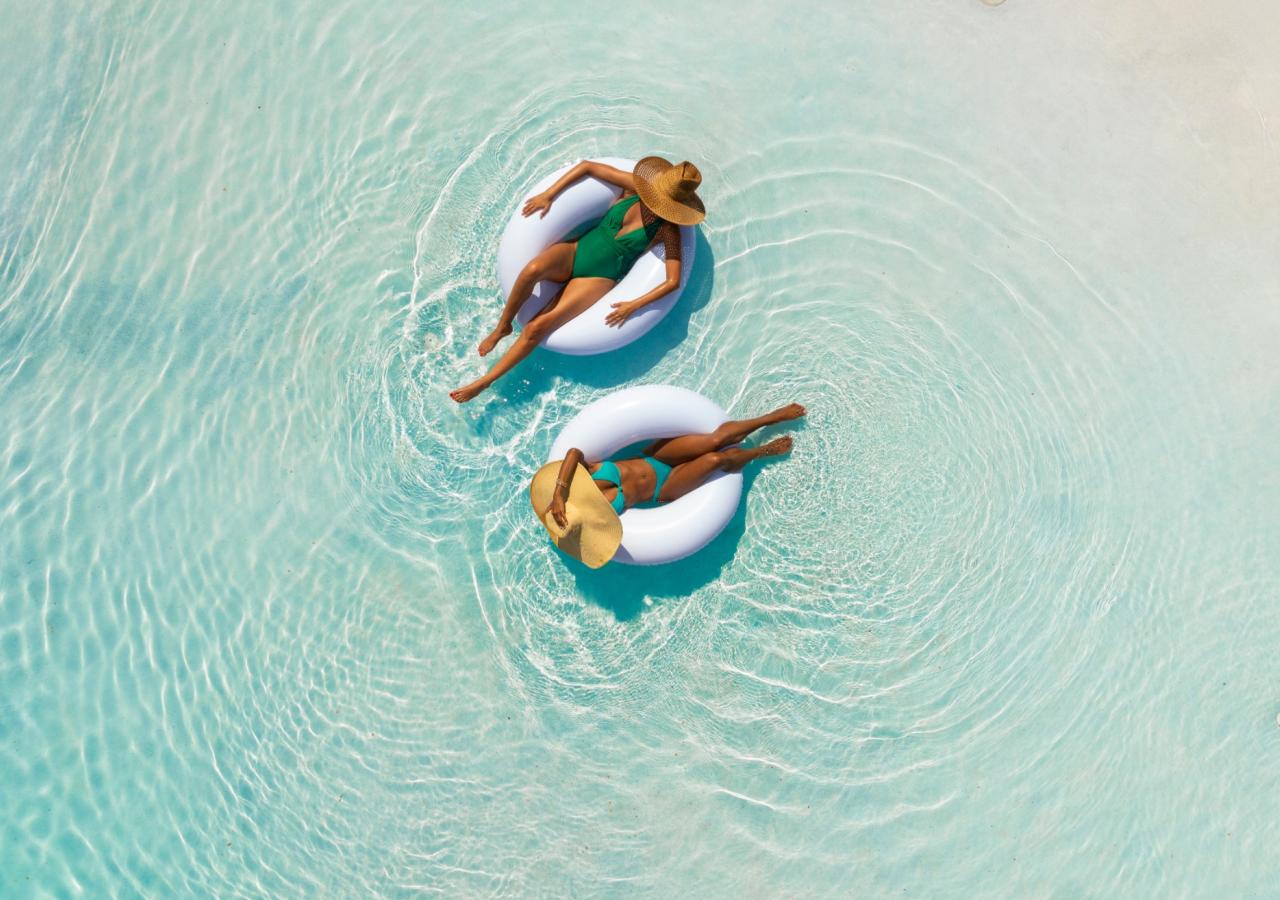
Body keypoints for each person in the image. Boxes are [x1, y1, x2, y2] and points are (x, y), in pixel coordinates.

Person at [450, 157, 705, 403]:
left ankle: (485, 382)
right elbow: (587, 167)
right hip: (576, 251)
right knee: (531, 270)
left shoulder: (667, 231)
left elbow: (673, 281)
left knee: (537, 328)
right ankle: (502, 327)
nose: (654, 203)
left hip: (597, 278)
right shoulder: (633, 188)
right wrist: (548, 194)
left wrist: (633, 305)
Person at [529, 404, 805, 567]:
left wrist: (559, 491)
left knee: (713, 441)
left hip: (654, 458)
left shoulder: (583, 480)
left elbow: (574, 451)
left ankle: (771, 418)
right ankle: (761, 452)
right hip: (665, 488)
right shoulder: (597, 521)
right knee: (714, 460)